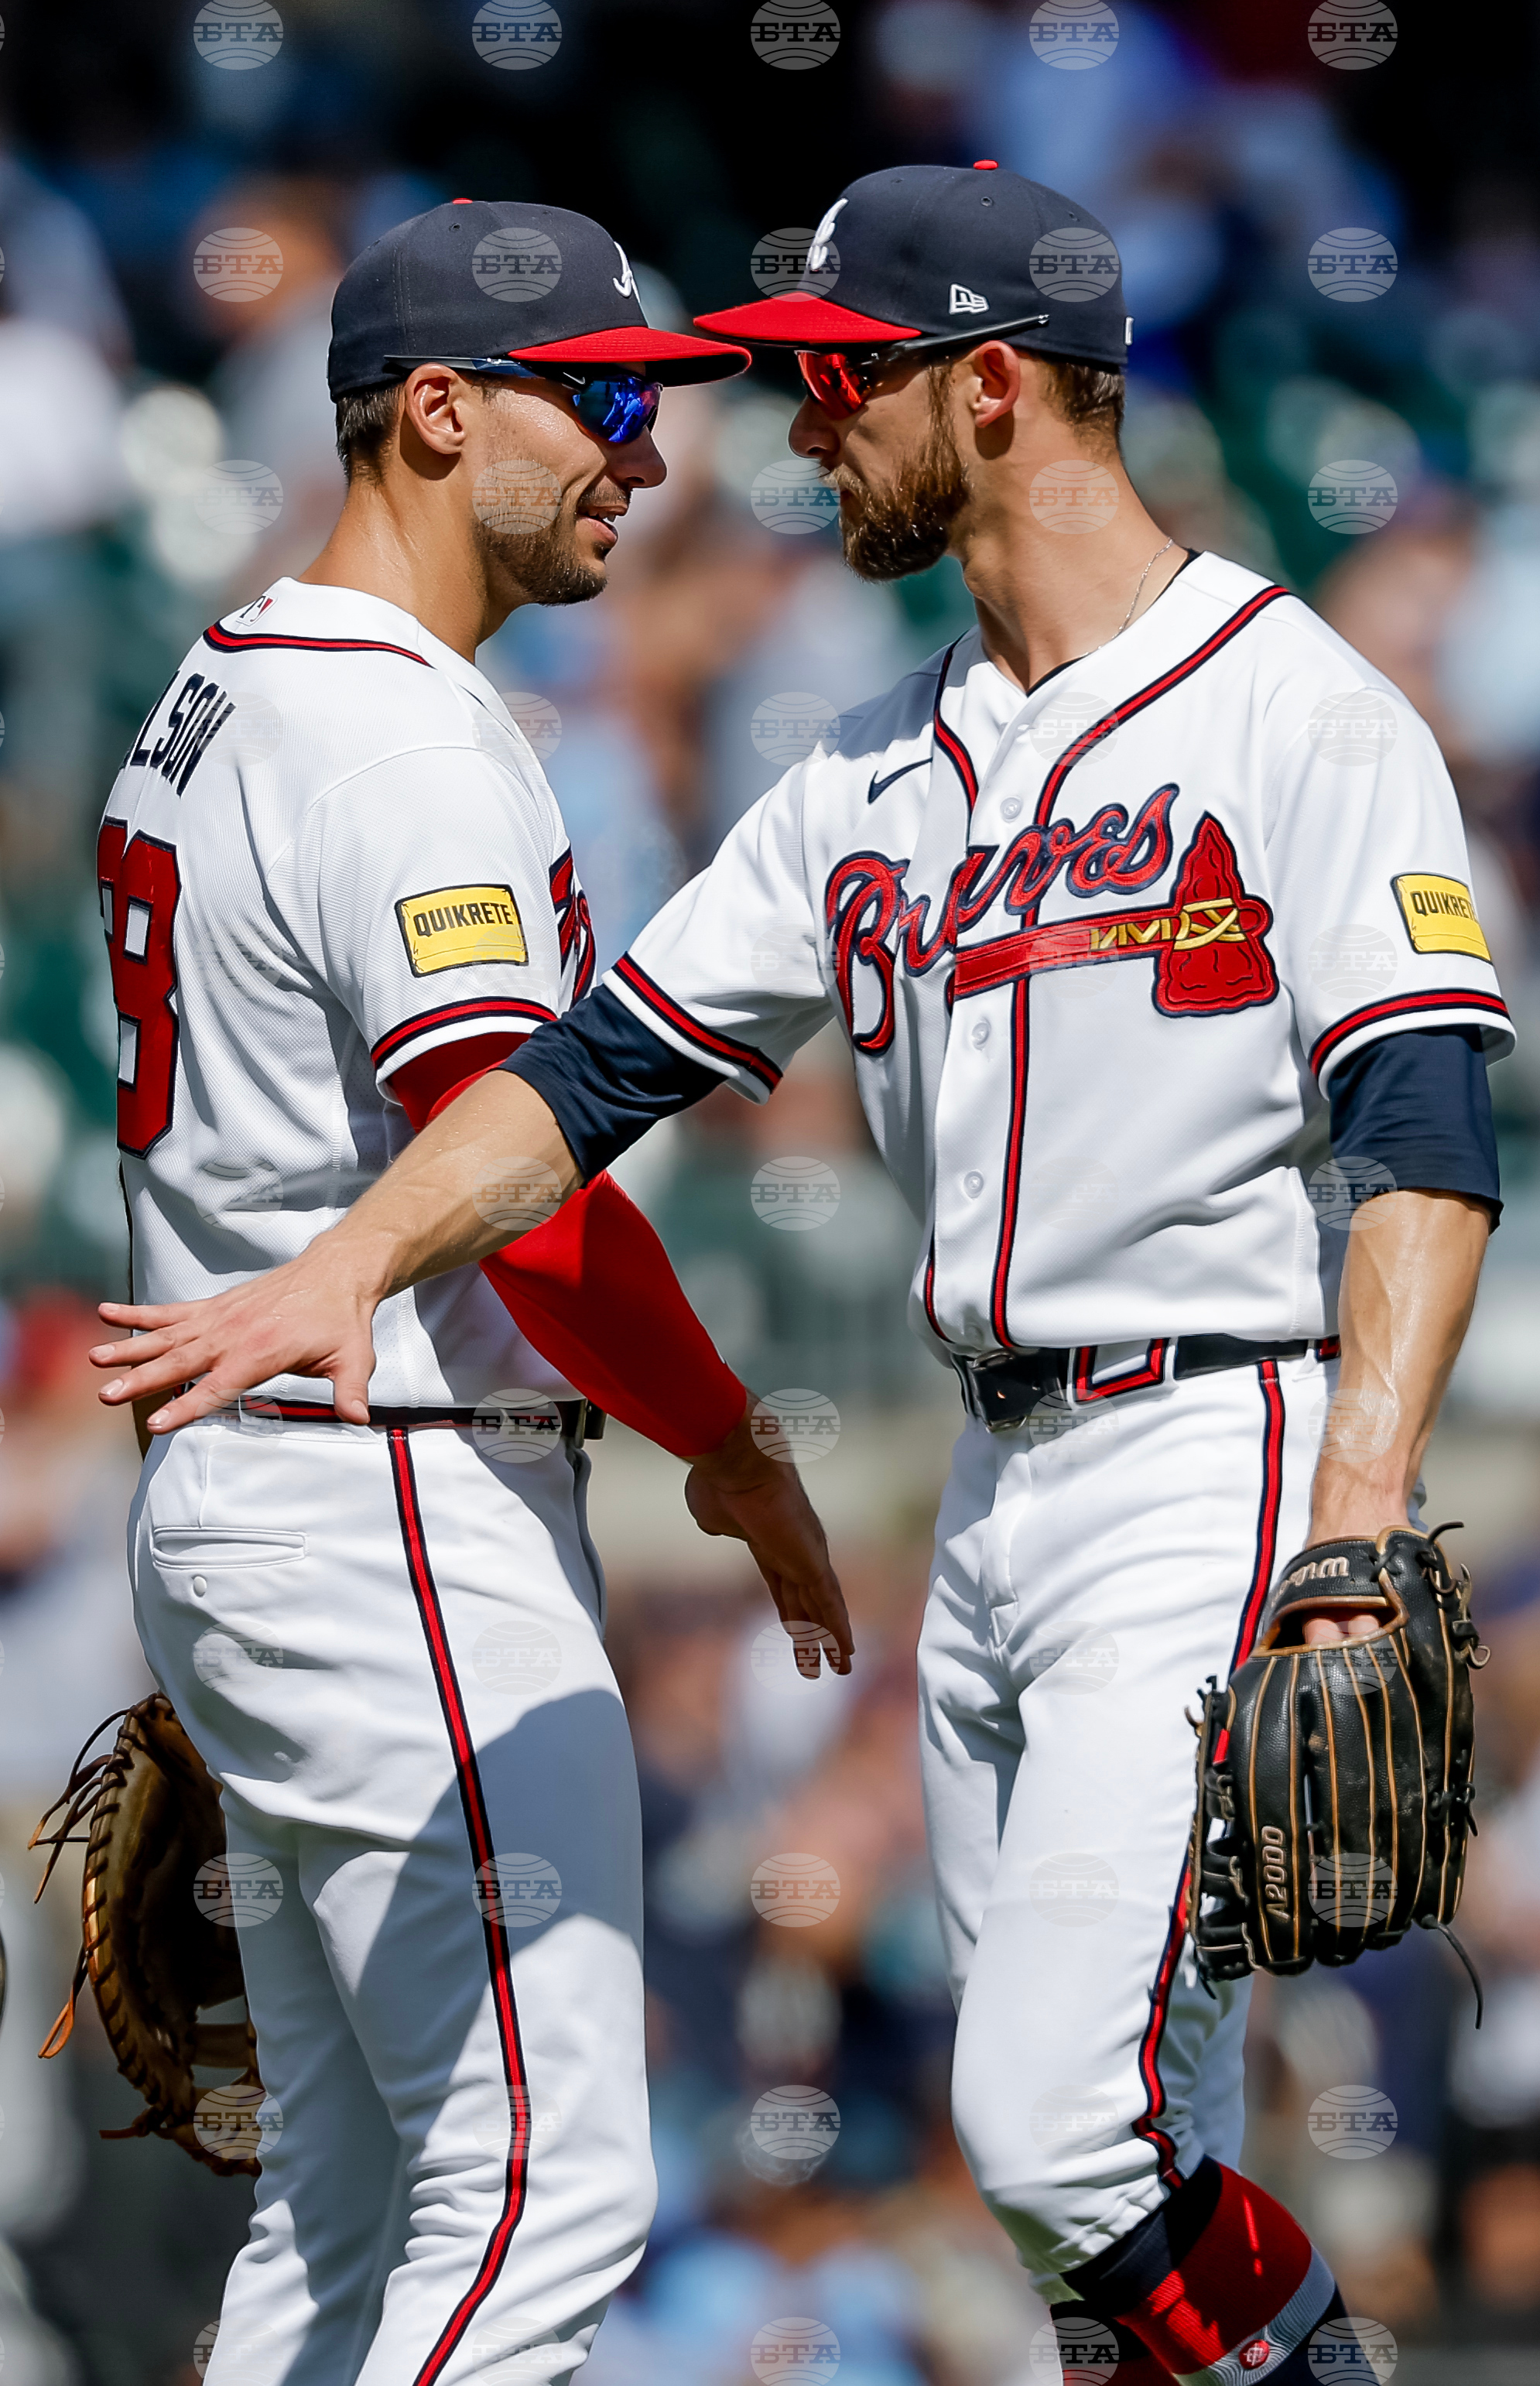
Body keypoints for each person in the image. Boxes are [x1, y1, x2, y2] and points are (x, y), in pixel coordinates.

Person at [94, 166, 1511, 2382]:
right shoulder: (870, 764)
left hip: (1210, 1440)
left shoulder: (1296, 712)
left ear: (996, 386)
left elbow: (1427, 1133)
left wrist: (1355, 1511)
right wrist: (354, 1260)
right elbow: (579, 1080)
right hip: (989, 1482)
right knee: (1111, 2185)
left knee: (1054, 2124)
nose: (790, 430)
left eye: (836, 380)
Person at [87, 197, 850, 2386]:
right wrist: (733, 1438)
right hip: (390, 1488)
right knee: (552, 2182)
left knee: (345, 2220)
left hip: (265, 1486)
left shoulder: (224, 680)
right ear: (435, 412)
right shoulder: (408, 742)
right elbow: (523, 1188)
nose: (648, 458)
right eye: (603, 402)